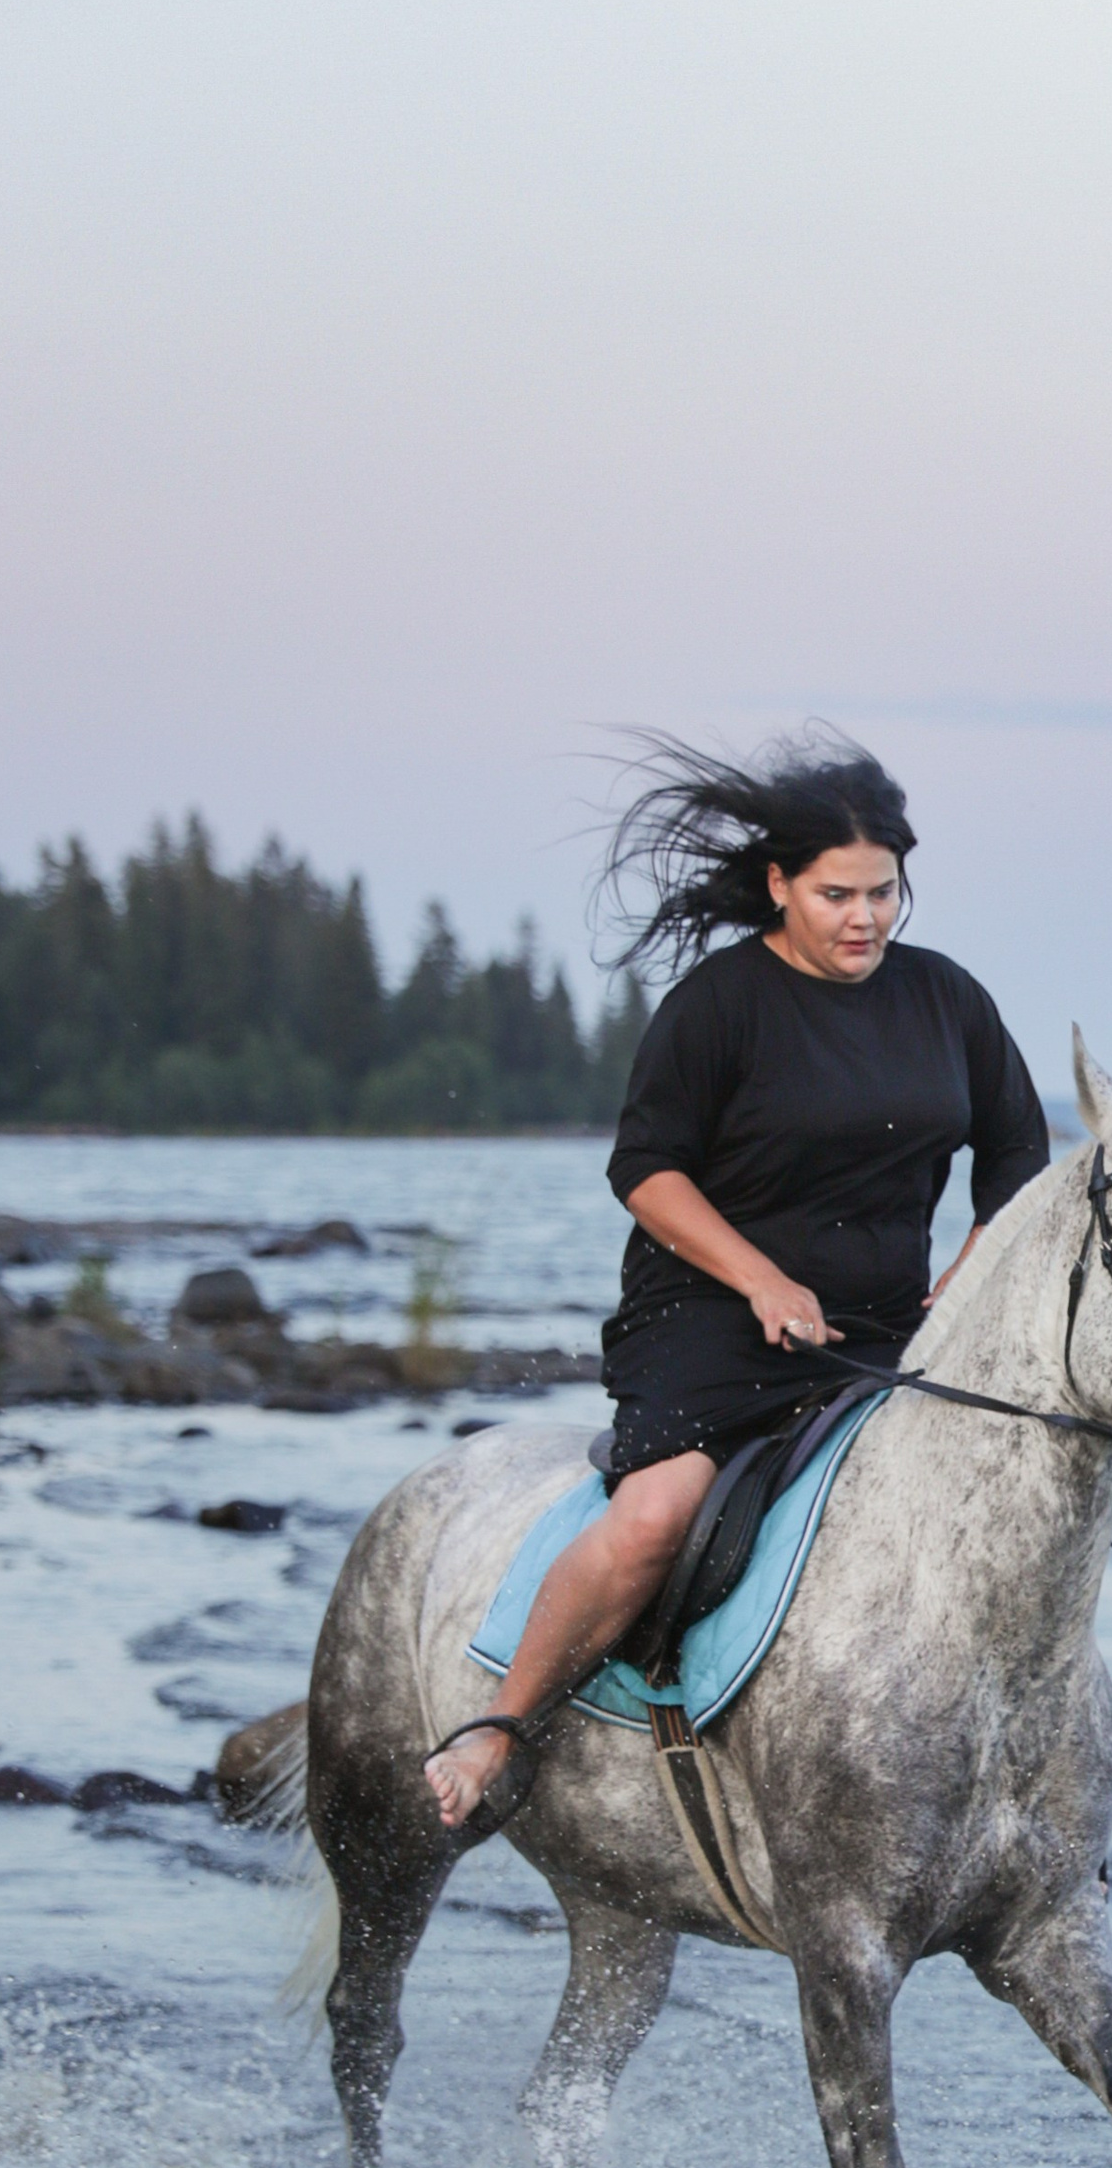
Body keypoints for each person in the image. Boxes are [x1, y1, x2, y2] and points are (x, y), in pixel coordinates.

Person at [423, 730, 1050, 1828]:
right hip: (711, 1320)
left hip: (882, 1333)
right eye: (835, 894)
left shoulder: (947, 999)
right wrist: (760, 1279)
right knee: (659, 1514)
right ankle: (499, 1723)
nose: (864, 918)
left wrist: (966, 1276)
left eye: (884, 892)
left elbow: (1015, 1160)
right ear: (779, 885)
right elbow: (645, 1169)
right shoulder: (720, 1004)